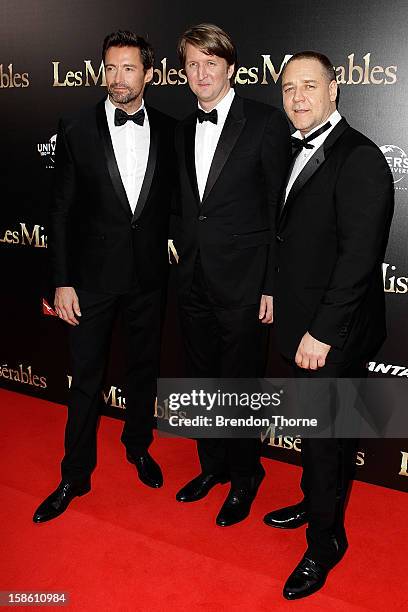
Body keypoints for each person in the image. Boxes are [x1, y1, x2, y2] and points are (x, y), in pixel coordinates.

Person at [263, 51, 394, 599]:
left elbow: (358, 259)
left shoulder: (359, 157)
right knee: (320, 435)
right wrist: (271, 288)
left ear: (335, 89)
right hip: (298, 318)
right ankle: (316, 501)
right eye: (288, 87)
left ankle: (324, 544)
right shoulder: (292, 147)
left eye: (309, 86)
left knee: (323, 436)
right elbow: (289, 235)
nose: (296, 97)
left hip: (330, 331)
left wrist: (321, 333)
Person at [33, 30, 175, 523]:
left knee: (143, 370)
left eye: (128, 68)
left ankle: (138, 445)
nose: (117, 78)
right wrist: (62, 280)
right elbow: (60, 210)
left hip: (148, 279)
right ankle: (74, 473)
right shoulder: (74, 126)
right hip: (90, 280)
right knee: (85, 380)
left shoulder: (171, 128)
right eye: (110, 68)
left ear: (148, 74)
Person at [173, 23, 291, 527]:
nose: (201, 73)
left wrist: (270, 284)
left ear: (230, 68)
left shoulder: (265, 122)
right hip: (193, 279)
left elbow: (277, 209)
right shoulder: (181, 128)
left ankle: (245, 478)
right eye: (192, 64)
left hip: (245, 282)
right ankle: (213, 468)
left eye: (210, 63)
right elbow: (186, 206)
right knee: (202, 382)